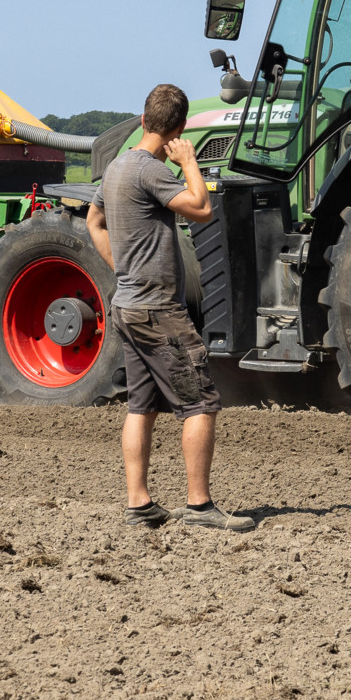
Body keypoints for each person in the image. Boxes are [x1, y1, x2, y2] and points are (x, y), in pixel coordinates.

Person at [87, 83, 258, 533]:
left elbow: (94, 221)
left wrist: (121, 268)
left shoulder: (116, 168)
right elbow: (201, 207)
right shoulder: (151, 171)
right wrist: (189, 162)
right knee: (201, 402)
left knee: (140, 406)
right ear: (179, 129)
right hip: (159, 310)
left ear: (143, 120)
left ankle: (139, 503)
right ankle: (199, 506)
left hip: (127, 305)